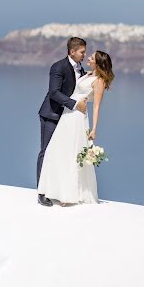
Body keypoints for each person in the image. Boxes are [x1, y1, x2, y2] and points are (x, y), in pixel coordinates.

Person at [38, 50, 114, 206]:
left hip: (78, 117)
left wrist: (94, 129)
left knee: (72, 152)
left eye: (92, 57)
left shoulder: (99, 81)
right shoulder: (87, 75)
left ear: (98, 63)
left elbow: (97, 107)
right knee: (57, 149)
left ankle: (68, 195)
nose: (88, 58)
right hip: (68, 114)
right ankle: (54, 189)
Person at [37, 37, 88, 206]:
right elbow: (54, 92)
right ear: (72, 51)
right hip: (52, 114)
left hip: (68, 118)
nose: (84, 54)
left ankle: (57, 189)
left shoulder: (81, 68)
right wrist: (74, 105)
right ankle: (42, 192)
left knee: (61, 153)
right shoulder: (58, 67)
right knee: (46, 151)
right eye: (82, 52)